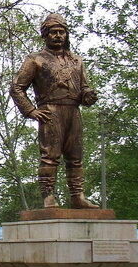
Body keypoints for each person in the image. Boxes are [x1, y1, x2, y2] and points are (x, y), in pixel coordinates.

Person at [10, 12, 99, 209]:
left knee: (76, 158)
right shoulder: (36, 60)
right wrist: (30, 110)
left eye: (62, 32)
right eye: (53, 32)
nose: (58, 36)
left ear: (67, 35)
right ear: (46, 35)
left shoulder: (77, 61)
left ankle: (77, 196)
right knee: (50, 156)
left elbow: (83, 88)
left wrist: (88, 95)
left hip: (73, 112)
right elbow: (17, 87)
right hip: (50, 111)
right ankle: (48, 196)